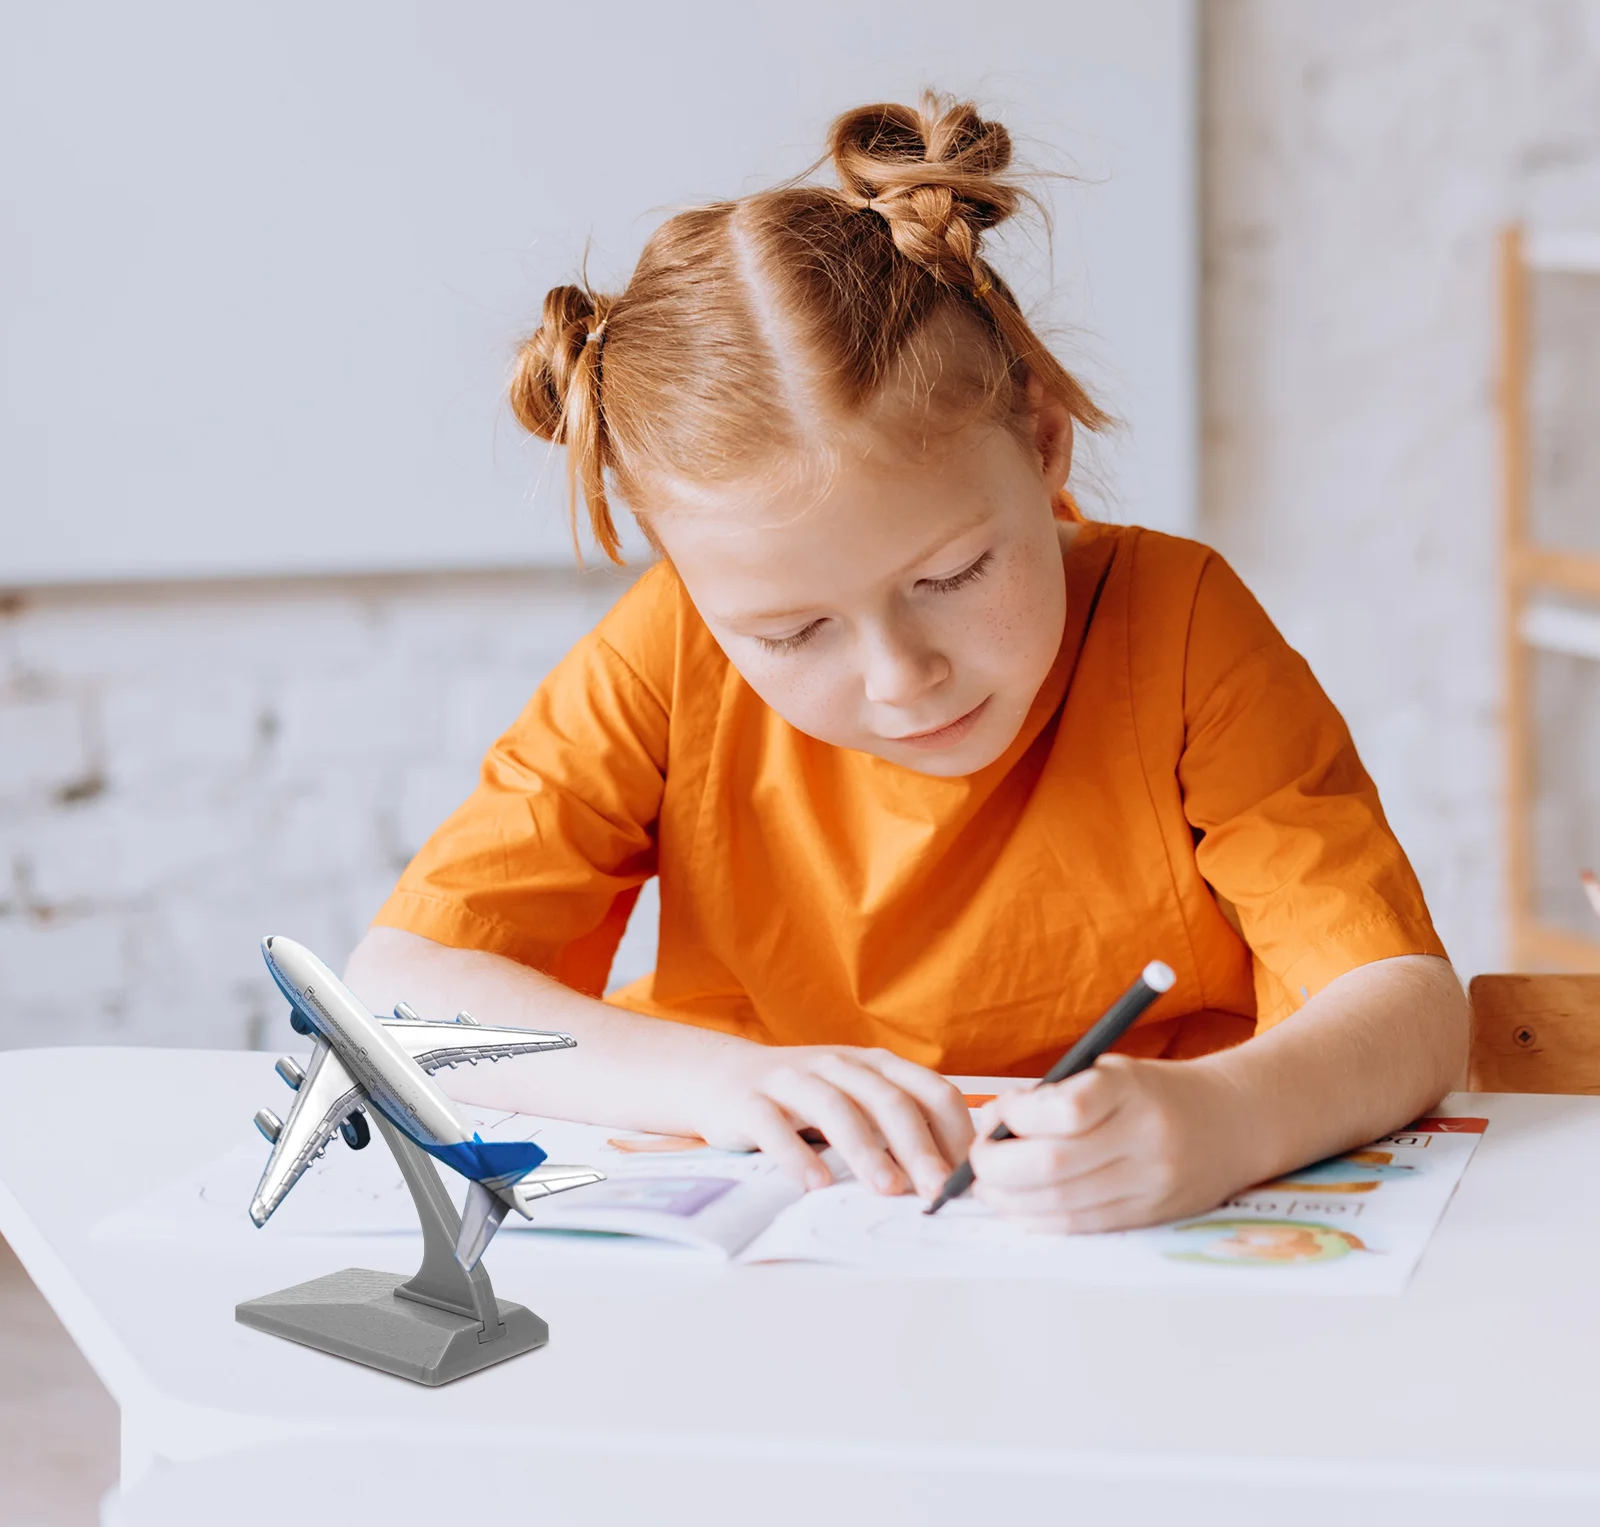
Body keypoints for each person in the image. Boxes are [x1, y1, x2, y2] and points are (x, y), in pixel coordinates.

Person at [346, 95, 1466, 1233]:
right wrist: (712, 1082)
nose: (900, 677)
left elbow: (1406, 1004)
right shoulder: (668, 647)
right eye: (790, 635)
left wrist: (1224, 1120)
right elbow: (398, 993)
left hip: (1131, 1232)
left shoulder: (1174, 625)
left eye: (950, 578)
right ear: (689, 578)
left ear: (1040, 444)